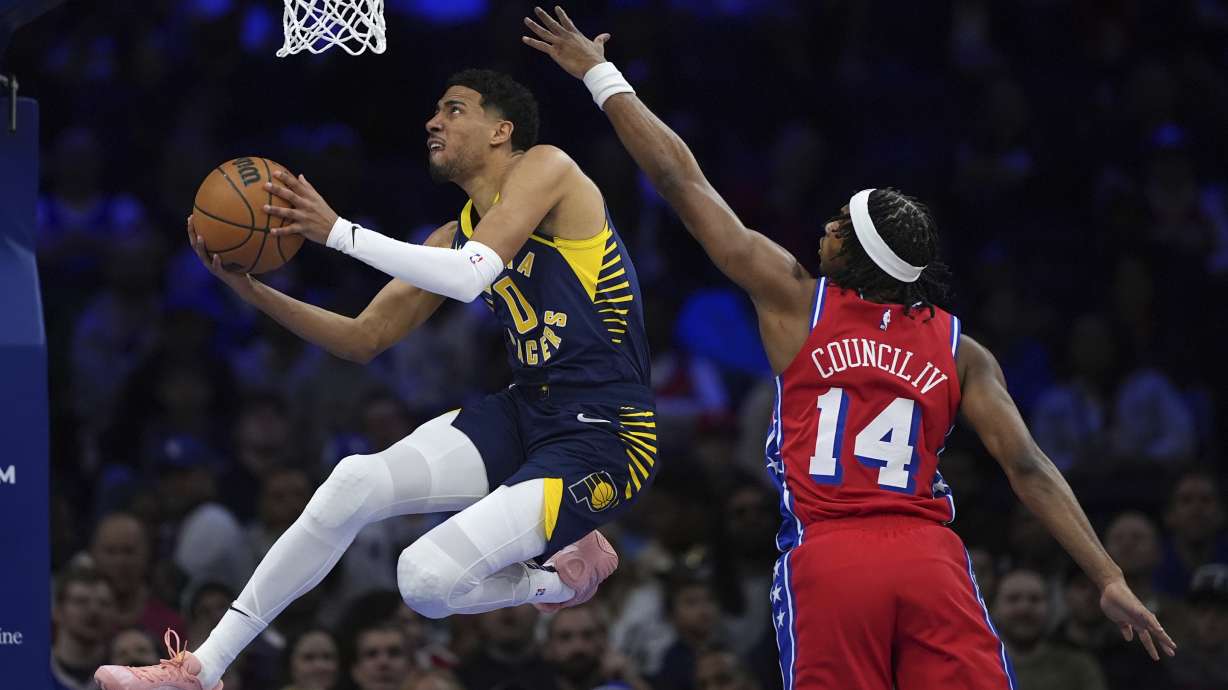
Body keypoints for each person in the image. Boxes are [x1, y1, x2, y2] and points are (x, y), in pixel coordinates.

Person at [522, 8, 1176, 689]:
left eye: (841, 224)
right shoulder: (961, 350)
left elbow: (684, 183)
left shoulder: (797, 302)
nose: (826, 225)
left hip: (832, 556)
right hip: (931, 561)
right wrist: (1108, 577)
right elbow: (1030, 469)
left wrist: (601, 76)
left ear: (860, 255)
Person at [96, 68, 657, 690]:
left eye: (454, 109)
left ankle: (560, 581)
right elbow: (363, 338)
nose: (432, 122)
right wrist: (251, 290)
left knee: (422, 581)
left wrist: (338, 233)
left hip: (608, 435)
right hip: (527, 411)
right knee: (352, 481)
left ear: (502, 131)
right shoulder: (454, 232)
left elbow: (470, 275)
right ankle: (202, 668)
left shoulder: (549, 166)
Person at [991, 569, 1106, 690]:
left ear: (1050, 608)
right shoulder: (976, 667)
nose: (1024, 608)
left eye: (1035, 599)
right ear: (994, 608)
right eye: (1013, 599)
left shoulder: (1078, 668)